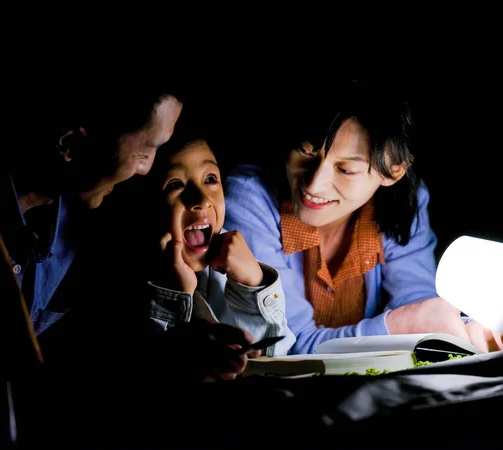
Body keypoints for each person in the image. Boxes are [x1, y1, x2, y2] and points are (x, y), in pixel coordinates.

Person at [223, 79, 502, 354]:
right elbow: (287, 344)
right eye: (305, 152)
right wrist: (402, 323)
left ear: (393, 171)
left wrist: (465, 330)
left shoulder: (404, 202)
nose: (313, 184)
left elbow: (420, 304)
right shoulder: (251, 197)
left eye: (346, 170)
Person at [143, 121, 296, 367]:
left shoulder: (231, 260)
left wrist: (253, 285)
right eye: (175, 184)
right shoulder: (128, 273)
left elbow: (275, 361)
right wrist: (175, 294)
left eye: (210, 179)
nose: (202, 199)